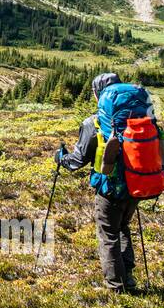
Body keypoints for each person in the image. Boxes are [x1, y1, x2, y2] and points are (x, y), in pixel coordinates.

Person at [56, 72, 141, 293]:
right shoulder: (137, 119)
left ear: (97, 94)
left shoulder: (93, 123)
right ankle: (127, 275)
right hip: (136, 183)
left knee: (108, 233)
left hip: (109, 186)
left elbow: (77, 161)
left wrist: (60, 158)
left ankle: (117, 286)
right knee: (122, 226)